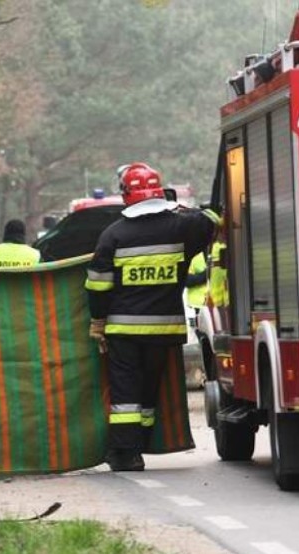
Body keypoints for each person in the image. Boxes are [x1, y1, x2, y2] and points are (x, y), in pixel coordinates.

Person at [84, 162, 220, 472]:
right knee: (147, 389)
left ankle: (126, 453)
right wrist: (178, 206)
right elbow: (212, 218)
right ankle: (140, 442)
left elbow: (97, 285)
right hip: (164, 330)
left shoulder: (113, 234)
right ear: (160, 192)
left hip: (123, 330)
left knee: (125, 394)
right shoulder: (183, 227)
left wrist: (98, 321)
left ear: (126, 195)